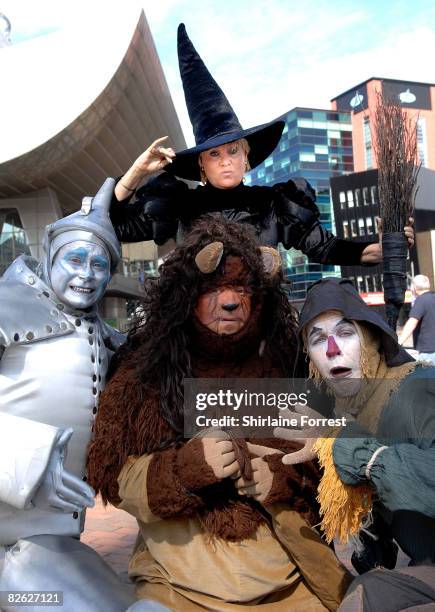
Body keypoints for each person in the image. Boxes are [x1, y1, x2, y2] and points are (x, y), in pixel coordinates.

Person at [87, 217, 352, 611]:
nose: (230, 301)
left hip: (289, 582)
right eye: (213, 288)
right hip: (183, 585)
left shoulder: (288, 364)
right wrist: (182, 470)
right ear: (186, 296)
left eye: (243, 289)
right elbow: (111, 473)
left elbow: (328, 467)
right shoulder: (147, 371)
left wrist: (283, 478)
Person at [110, 24, 414, 266]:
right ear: (201, 164)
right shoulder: (179, 206)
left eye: (233, 151)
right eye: (214, 154)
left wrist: (384, 248)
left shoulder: (274, 204)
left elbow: (326, 247)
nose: (225, 160)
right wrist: (136, 174)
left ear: (246, 157)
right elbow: (112, 225)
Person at [0, 179, 162, 612]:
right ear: (51, 258)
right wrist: (28, 462)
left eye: (99, 264)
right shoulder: (5, 309)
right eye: (75, 258)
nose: (86, 274)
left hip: (45, 543)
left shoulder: (104, 339)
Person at [274, 278, 435, 611]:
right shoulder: (350, 407)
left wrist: (349, 446)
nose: (332, 350)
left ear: (373, 339)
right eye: (318, 341)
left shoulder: (416, 393)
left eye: (346, 334)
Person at [399, 274, 435, 364]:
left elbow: (412, 323)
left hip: (428, 351)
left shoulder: (421, 300)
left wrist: (399, 342)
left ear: (414, 288)